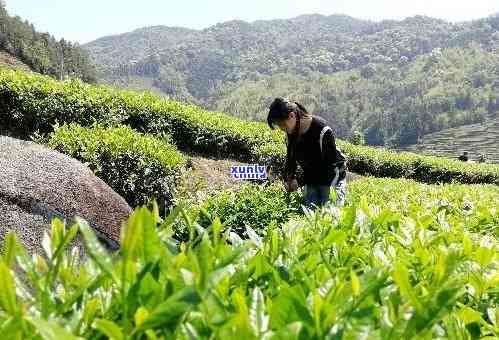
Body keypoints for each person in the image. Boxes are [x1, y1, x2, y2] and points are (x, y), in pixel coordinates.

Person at [267, 97, 347, 209]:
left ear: (292, 116)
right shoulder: (290, 134)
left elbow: (327, 168)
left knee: (330, 212)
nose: (282, 129)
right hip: (312, 177)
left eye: (282, 125)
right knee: (310, 212)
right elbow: (290, 159)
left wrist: (299, 181)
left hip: (332, 177)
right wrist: (289, 179)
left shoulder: (322, 131)